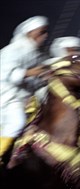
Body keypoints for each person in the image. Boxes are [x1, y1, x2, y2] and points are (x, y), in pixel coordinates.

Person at [0, 16, 49, 159]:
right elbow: (5, 72)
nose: (45, 36)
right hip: (5, 97)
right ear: (30, 32)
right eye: (42, 32)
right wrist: (31, 72)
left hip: (21, 99)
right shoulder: (12, 50)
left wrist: (43, 78)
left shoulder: (36, 56)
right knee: (17, 121)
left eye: (45, 32)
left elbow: (32, 84)